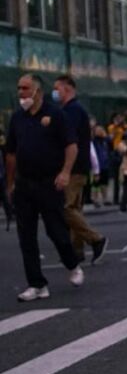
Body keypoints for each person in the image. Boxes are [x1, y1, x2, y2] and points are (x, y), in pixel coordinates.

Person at [5, 73, 85, 301]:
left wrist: (65, 172)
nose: (20, 93)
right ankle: (37, 284)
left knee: (56, 230)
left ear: (37, 91)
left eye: (25, 88)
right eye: (19, 88)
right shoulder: (18, 118)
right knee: (26, 236)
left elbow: (71, 145)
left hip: (49, 183)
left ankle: (73, 265)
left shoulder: (55, 114)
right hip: (24, 185)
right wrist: (10, 184)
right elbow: (11, 153)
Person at [53, 75, 109, 264]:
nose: (55, 93)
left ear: (67, 89)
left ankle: (96, 239)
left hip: (73, 168)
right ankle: (77, 251)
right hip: (78, 167)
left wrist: (64, 168)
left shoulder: (72, 111)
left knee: (66, 209)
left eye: (57, 89)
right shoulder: (74, 110)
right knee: (74, 209)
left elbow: (69, 140)